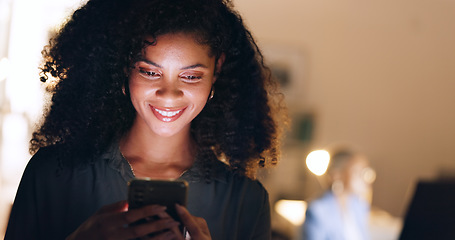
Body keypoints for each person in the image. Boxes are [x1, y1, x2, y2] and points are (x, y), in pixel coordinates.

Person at [5, 0, 286, 239]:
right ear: (123, 68)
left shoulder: (245, 202)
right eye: (149, 72)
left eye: (191, 76)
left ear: (217, 70)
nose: (168, 94)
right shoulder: (51, 175)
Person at [301, 149, 375, 240]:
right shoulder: (317, 210)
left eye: (365, 171)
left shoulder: (360, 206)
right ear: (337, 174)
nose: (365, 178)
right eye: (358, 172)